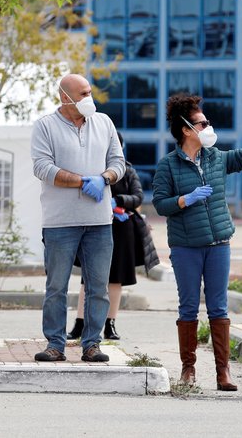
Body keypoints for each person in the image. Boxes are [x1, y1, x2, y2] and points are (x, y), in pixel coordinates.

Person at [153, 92, 242, 390]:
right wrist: (185, 199)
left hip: (218, 245)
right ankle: (188, 370)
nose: (208, 127)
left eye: (207, 122)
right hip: (186, 247)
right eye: (201, 123)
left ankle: (223, 372)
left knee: (219, 308)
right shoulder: (168, 165)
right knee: (189, 307)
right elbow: (160, 204)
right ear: (185, 129)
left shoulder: (217, 158)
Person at [31, 74, 126, 363]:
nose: (89, 98)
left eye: (89, 92)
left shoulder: (104, 122)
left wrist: (104, 178)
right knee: (56, 287)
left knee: (98, 287)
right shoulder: (45, 126)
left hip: (99, 221)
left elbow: (118, 163)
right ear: (64, 97)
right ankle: (55, 345)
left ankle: (92, 344)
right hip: (60, 222)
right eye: (83, 93)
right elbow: (43, 167)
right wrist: (84, 181)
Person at [67, 132, 155, 341]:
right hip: (94, 227)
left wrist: (119, 201)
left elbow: (138, 197)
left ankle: (110, 324)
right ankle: (80, 324)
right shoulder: (90, 168)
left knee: (115, 280)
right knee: (88, 279)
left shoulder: (128, 170)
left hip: (122, 231)